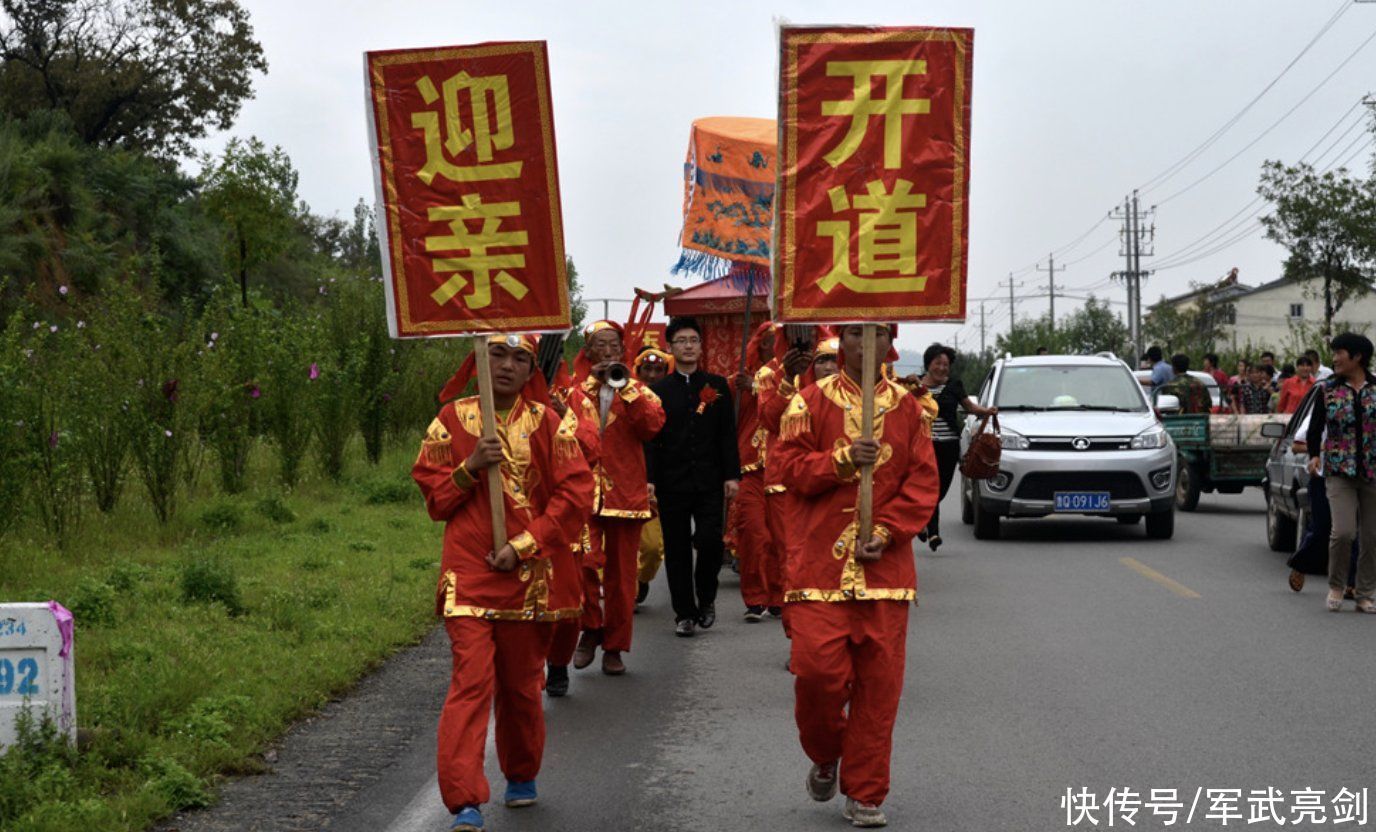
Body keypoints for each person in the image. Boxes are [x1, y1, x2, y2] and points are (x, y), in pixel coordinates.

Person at [410, 334, 595, 831]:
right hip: (469, 574)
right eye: (497, 353)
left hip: (525, 575)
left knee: (519, 686)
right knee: (470, 683)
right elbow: (433, 501)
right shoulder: (451, 419)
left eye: (520, 358)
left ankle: (521, 772)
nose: (508, 365)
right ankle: (464, 799)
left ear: (531, 367)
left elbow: (576, 494)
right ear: (478, 358)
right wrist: (470, 469)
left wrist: (526, 545)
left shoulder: (548, 422)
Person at [773, 323, 939, 828]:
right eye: (851, 335)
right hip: (818, 567)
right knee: (817, 675)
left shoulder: (909, 409)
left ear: (890, 345)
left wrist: (888, 532)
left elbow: (923, 483)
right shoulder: (809, 401)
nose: (862, 346)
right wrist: (842, 461)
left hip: (884, 570)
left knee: (879, 687)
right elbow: (785, 468)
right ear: (838, 344)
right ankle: (826, 752)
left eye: (874, 336)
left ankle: (866, 789)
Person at [568, 321, 665, 676]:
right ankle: (591, 626)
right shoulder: (574, 392)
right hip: (583, 494)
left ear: (622, 351)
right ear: (588, 352)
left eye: (613, 345)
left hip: (626, 493)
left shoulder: (640, 390)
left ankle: (615, 646)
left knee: (623, 578)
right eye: (600, 345)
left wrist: (625, 390)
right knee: (582, 566)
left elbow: (652, 427)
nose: (608, 351)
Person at [648, 316, 741, 637]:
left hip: (710, 480)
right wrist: (649, 479)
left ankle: (707, 598)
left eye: (693, 340)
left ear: (701, 346)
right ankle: (684, 614)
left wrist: (732, 475)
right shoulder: (657, 391)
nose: (688, 346)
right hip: (671, 482)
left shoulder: (716, 387)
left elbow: (727, 435)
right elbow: (651, 440)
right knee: (676, 550)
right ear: (670, 348)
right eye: (681, 341)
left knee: (710, 541)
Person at [1306, 332, 1376, 613]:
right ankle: (1337, 585)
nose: (1334, 359)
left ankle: (1365, 592)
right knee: (1344, 532)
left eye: (1339, 353)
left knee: (1372, 535)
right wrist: (1313, 455)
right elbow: (1315, 428)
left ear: (1357, 357)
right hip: (1338, 470)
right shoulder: (1328, 390)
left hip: (1373, 471)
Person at [909, 343, 995, 551]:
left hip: (948, 447)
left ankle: (921, 523)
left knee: (941, 489)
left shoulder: (954, 385)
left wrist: (987, 411)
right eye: (938, 363)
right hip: (923, 446)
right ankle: (933, 533)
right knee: (929, 487)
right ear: (928, 364)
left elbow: (969, 407)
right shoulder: (915, 385)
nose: (942, 368)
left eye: (946, 364)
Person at [736, 323, 784, 621]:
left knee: (781, 536)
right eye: (768, 341)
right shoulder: (740, 380)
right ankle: (754, 597)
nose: (773, 346)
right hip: (750, 469)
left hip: (783, 468)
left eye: (778, 341)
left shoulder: (796, 376)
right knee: (754, 535)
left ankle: (778, 596)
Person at [633, 347, 672, 606]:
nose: (652, 375)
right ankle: (629, 588)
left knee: (652, 548)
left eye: (658, 370)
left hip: (663, 483)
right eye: (647, 369)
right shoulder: (626, 396)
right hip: (626, 482)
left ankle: (642, 578)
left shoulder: (673, 398)